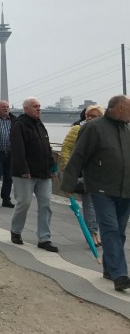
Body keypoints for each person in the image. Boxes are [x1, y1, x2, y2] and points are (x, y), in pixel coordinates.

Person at [62, 95, 130, 291]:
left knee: (119, 232)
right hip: (101, 189)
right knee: (110, 230)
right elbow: (78, 156)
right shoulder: (93, 128)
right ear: (119, 109)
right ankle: (120, 275)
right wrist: (68, 184)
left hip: (125, 190)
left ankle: (109, 269)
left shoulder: (126, 129)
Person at [9, 97, 58, 252]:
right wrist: (24, 170)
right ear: (26, 109)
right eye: (35, 106)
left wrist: (52, 167)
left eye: (39, 106)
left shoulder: (39, 124)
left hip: (43, 172)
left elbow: (46, 147)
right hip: (25, 173)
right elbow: (18, 149)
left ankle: (44, 238)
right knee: (24, 202)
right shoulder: (19, 125)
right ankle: (16, 231)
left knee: (46, 204)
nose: (39, 108)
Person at [59, 105, 103, 246]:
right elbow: (66, 149)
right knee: (90, 205)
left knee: (98, 206)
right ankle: (92, 234)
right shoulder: (77, 129)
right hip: (83, 174)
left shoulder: (103, 131)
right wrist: (68, 169)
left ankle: (94, 233)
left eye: (93, 116)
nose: (89, 118)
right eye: (87, 115)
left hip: (100, 174)